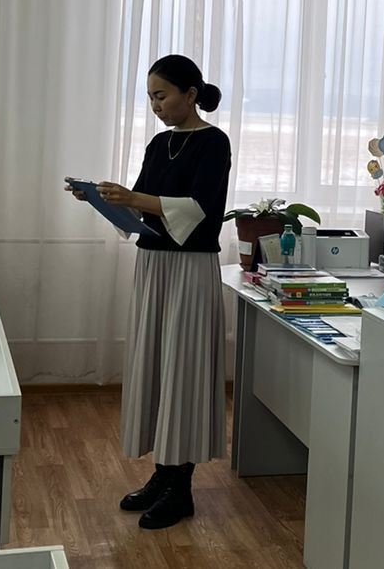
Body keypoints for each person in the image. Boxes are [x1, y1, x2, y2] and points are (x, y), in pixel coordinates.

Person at [68, 55, 230, 531]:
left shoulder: (214, 143)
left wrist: (132, 197)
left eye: (162, 96)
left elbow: (200, 209)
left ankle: (182, 487)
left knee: (184, 369)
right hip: (155, 264)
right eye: (150, 98)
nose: (156, 106)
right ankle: (163, 474)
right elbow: (141, 209)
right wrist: (101, 199)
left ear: (190, 95)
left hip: (190, 268)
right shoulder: (159, 144)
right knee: (157, 366)